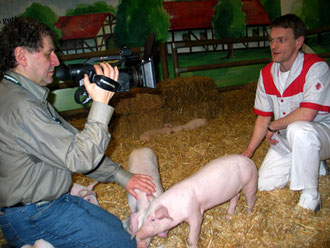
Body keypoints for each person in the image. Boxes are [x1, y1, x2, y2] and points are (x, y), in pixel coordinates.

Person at [0, 17, 156, 247]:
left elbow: (73, 144)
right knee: (125, 245)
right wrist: (101, 103)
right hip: (34, 216)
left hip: (48, 205)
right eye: (48, 54)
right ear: (21, 56)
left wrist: (122, 176)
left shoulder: (23, 94)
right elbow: (81, 158)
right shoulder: (23, 107)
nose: (56, 61)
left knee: (118, 229)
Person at [242, 14, 330, 212]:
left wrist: (274, 126)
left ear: (299, 42)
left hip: (323, 135)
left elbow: (307, 114)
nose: (274, 46)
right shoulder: (266, 73)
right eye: (272, 40)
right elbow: (263, 116)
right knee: (264, 185)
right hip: (288, 139)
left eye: (281, 40)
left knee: (300, 129)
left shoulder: (316, 67)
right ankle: (315, 166)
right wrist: (248, 152)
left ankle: (311, 195)